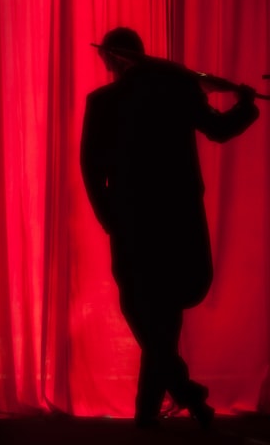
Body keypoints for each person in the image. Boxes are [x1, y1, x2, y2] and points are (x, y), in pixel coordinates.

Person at [80, 27, 259, 429]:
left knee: (145, 313)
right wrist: (246, 106)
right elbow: (220, 129)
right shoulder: (177, 88)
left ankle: (163, 406)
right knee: (162, 318)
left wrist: (109, 217)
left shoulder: (105, 101)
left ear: (112, 59)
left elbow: (91, 168)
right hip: (177, 221)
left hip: (134, 223)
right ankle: (180, 401)